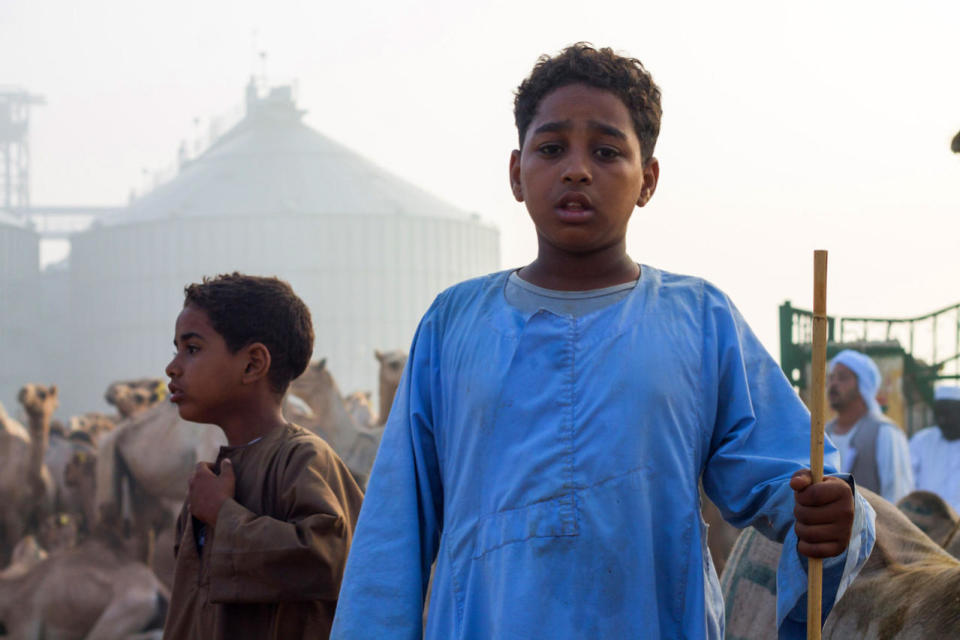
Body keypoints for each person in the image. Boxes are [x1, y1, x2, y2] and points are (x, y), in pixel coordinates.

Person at [330, 44, 875, 639]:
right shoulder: (453, 323)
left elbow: (791, 477)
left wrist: (828, 514)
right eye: (552, 147)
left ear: (648, 179)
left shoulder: (699, 319)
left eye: (608, 151)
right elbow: (392, 533)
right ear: (517, 172)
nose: (577, 169)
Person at [162, 273, 363, 640]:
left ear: (253, 364)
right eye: (176, 349)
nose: (172, 367)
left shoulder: (303, 459)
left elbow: (325, 560)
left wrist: (224, 515)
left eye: (192, 349)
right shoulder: (210, 478)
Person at [825, 349, 913, 503]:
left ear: (863, 386)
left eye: (842, 378)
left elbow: (897, 495)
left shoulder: (884, 431)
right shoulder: (822, 433)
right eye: (831, 378)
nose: (833, 384)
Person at [909, 386, 960, 512]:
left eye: (948, 414)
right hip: (926, 523)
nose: (942, 421)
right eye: (938, 414)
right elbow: (907, 481)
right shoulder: (921, 441)